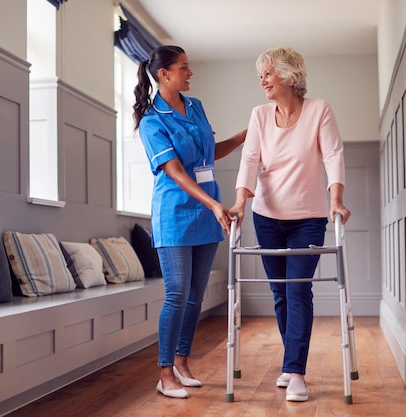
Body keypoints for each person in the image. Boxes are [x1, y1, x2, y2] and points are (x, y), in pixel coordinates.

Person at [230, 46, 351, 402]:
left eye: (267, 73)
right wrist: (239, 201)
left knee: (298, 291)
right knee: (280, 293)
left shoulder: (319, 110)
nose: (262, 80)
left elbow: (333, 155)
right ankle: (291, 362)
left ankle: (296, 371)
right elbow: (250, 158)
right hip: (266, 217)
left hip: (308, 219)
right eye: (261, 75)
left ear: (289, 76)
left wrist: (337, 200)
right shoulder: (260, 115)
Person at [133, 45, 246, 399]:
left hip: (208, 214)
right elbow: (176, 171)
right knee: (177, 294)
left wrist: (247, 135)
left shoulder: (196, 107)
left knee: (196, 297)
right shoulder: (152, 121)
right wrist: (215, 204)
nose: (190, 73)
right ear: (164, 74)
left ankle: (182, 362)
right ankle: (165, 372)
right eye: (184, 68)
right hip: (176, 216)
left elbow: (208, 154)